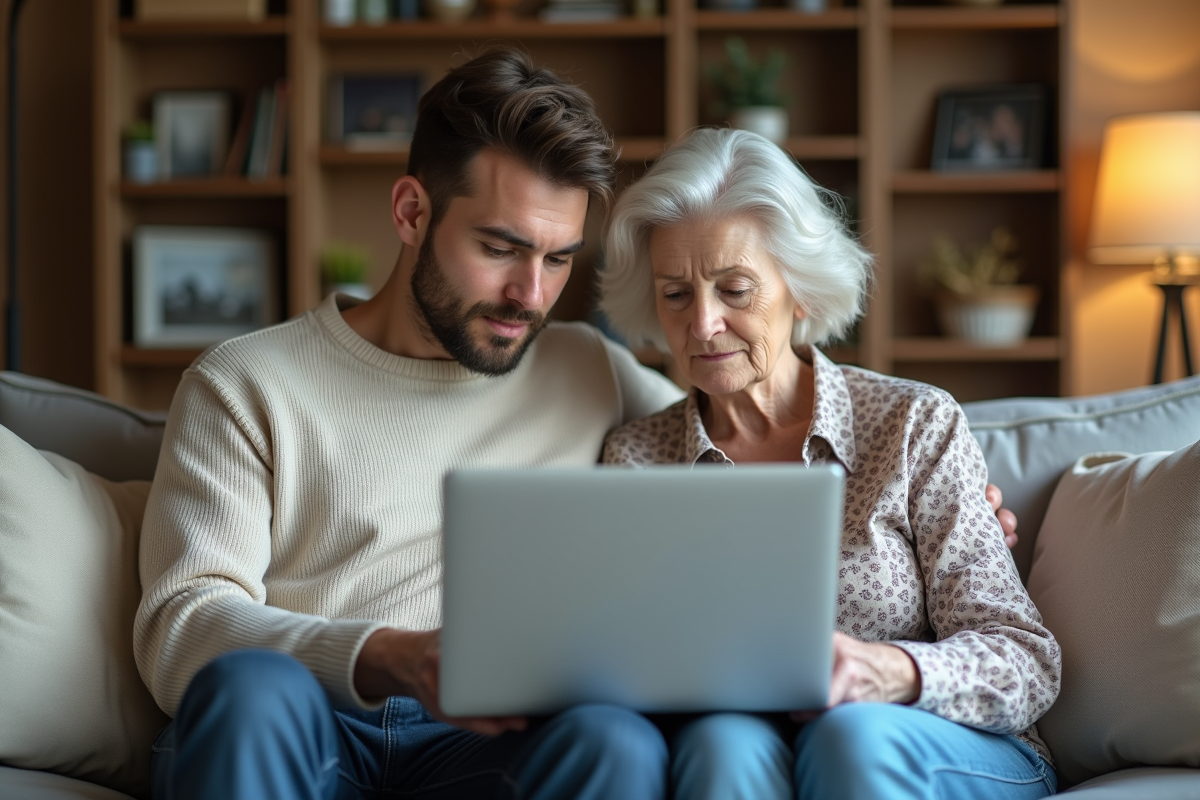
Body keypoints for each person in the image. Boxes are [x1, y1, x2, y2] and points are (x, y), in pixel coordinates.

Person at [135, 48, 1022, 800]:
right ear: (411, 214)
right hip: (305, 718)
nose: (532, 295)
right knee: (249, 689)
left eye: (558, 259)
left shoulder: (584, 370)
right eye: (499, 248)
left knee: (615, 739)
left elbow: (732, 424)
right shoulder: (245, 382)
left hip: (485, 741)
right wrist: (390, 657)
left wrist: (962, 507)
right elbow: (181, 628)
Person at [598, 127, 1060, 799]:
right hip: (747, 735)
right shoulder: (636, 459)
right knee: (718, 744)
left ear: (802, 291)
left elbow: (1027, 660)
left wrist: (888, 672)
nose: (701, 324)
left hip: (926, 736)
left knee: (850, 734)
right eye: (676, 295)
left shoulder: (911, 424)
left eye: (734, 289)